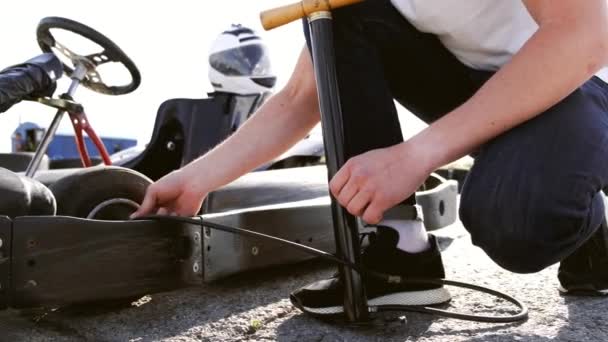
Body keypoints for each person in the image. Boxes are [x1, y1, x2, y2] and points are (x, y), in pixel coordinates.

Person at [132, 0, 608, 315]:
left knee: (518, 228)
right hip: (472, 93)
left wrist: (416, 155)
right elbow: (303, 95)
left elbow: (584, 33)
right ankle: (396, 251)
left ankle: (590, 222)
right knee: (334, 16)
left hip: (572, 84)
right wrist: (195, 178)